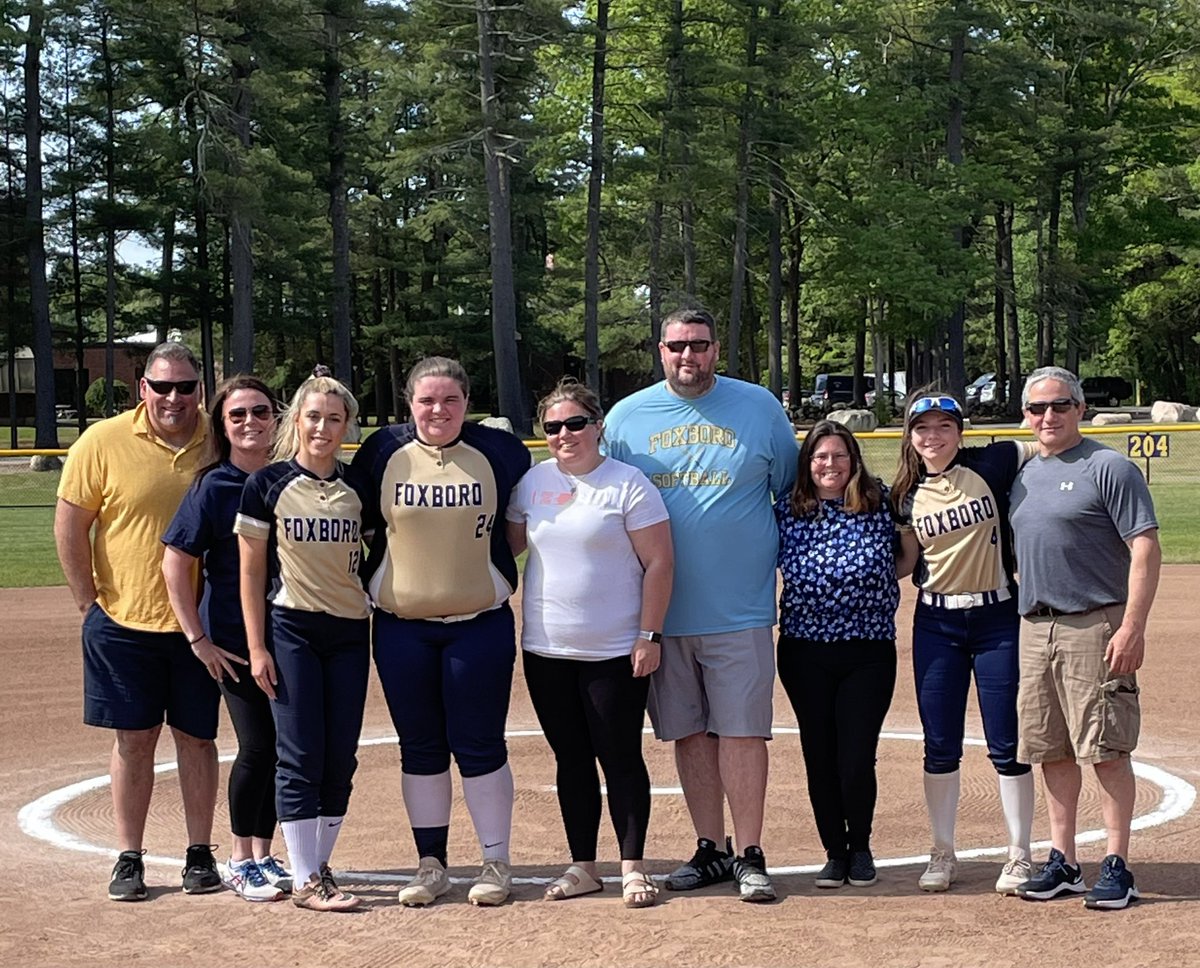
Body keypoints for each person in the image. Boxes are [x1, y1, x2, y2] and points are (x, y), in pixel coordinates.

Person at [604, 306, 798, 903]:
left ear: (717, 349)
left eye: (700, 345)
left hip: (739, 609)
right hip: (661, 615)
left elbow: (787, 488)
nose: (688, 356)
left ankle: (750, 852)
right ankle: (710, 848)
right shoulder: (627, 418)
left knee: (742, 733)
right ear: (659, 350)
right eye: (676, 346)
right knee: (688, 733)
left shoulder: (759, 407)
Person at [348, 356, 532, 908]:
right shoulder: (383, 451)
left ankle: (495, 862)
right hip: (403, 629)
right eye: (427, 400)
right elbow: (355, 522)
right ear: (409, 404)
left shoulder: (500, 451)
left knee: (480, 743)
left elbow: (515, 532)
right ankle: (431, 865)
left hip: (479, 627)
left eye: (450, 400)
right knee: (421, 747)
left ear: (467, 401)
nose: (438, 410)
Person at [54, 341, 222, 901]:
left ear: (201, 389)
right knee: (135, 739)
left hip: (201, 627)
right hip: (124, 621)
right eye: (163, 386)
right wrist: (88, 602)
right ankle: (130, 857)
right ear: (142, 388)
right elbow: (71, 525)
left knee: (198, 740)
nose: (174, 398)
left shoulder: (218, 440)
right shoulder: (103, 441)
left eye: (186, 387)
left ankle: (200, 853)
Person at [506, 378, 673, 908]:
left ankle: (632, 867)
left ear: (597, 426)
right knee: (570, 759)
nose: (564, 434)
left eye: (575, 423)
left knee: (619, 756)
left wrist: (648, 634)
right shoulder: (531, 484)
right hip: (546, 648)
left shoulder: (628, 483)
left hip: (615, 650)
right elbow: (504, 546)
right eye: (552, 427)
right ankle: (582, 866)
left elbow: (660, 563)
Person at [1009, 366, 1160, 911]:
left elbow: (1144, 547)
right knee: (1050, 748)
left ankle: (1117, 864)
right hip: (1034, 625)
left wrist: (1132, 626)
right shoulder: (1023, 473)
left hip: (1094, 623)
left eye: (1060, 406)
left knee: (1106, 747)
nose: (1047, 417)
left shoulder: (1109, 468)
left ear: (1079, 408)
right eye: (1036, 408)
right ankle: (1064, 860)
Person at [891, 392, 1038, 895]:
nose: (933, 437)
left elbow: (1041, 442)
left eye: (943, 427)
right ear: (910, 437)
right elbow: (908, 563)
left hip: (998, 617)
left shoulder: (992, 462)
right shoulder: (907, 495)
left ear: (960, 431)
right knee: (940, 742)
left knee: (1007, 740)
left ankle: (1019, 854)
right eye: (922, 428)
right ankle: (942, 850)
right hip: (936, 624)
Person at [236, 370, 370, 913]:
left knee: (341, 755)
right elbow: (250, 572)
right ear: (296, 420)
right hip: (291, 627)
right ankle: (307, 878)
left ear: (346, 426)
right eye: (313, 416)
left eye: (334, 418)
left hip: (349, 631)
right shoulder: (267, 484)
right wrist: (257, 647)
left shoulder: (357, 487)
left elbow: (373, 558)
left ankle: (318, 867)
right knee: (299, 753)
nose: (322, 427)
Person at [162, 375, 292, 902]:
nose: (249, 423)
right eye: (237, 415)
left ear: (275, 418)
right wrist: (199, 640)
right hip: (236, 639)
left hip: (290, 631)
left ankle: (263, 853)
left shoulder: (290, 479)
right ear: (222, 425)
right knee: (258, 745)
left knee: (284, 748)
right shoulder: (213, 485)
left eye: (259, 412)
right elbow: (175, 564)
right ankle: (240, 857)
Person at [775, 420, 915, 890]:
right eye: (819, 457)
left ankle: (861, 847)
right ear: (807, 464)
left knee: (856, 756)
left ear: (853, 461)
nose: (829, 465)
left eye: (838, 456)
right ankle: (834, 851)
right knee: (820, 753)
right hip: (804, 652)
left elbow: (905, 559)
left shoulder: (879, 502)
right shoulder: (788, 510)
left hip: (868, 651)